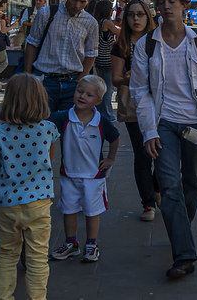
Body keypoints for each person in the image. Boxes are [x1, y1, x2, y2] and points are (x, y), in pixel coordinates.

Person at [130, 0, 197, 280]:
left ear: (185, 6)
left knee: (193, 183)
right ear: (156, 7)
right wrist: (149, 131)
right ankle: (184, 255)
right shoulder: (146, 45)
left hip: (195, 124)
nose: (167, 6)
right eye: (161, 2)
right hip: (164, 123)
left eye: (173, 1)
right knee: (169, 187)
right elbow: (140, 91)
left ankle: (179, 226)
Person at [0, 74, 60, 300]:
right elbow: (48, 163)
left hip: (8, 203)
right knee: (38, 257)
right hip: (39, 203)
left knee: (7, 254)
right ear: (41, 99)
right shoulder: (48, 129)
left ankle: (2, 296)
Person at [48, 75, 120, 264]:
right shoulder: (63, 117)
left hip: (93, 176)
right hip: (69, 174)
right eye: (80, 91)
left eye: (88, 95)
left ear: (98, 101)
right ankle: (71, 243)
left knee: (91, 211)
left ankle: (91, 244)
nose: (82, 96)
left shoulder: (101, 120)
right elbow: (44, 124)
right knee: (68, 209)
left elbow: (115, 137)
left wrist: (111, 158)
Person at [111, 0, 160, 222]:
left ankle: (157, 190)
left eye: (140, 14)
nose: (136, 19)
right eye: (131, 15)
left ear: (148, 17)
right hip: (133, 104)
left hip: (160, 104)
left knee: (162, 152)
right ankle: (148, 203)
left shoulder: (157, 41)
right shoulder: (121, 46)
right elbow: (115, 79)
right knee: (142, 155)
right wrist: (128, 79)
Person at [24, 0, 98, 112]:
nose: (77, 5)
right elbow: (32, 43)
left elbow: (91, 54)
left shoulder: (90, 22)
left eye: (82, 2)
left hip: (72, 82)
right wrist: (28, 76)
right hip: (44, 80)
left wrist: (80, 81)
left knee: (67, 127)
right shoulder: (46, 14)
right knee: (41, 123)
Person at [93, 0, 121, 122]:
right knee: (108, 91)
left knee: (101, 89)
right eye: (111, 9)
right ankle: (109, 115)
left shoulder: (97, 22)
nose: (112, 11)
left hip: (98, 59)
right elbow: (119, 32)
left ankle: (100, 113)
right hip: (108, 60)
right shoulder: (107, 22)